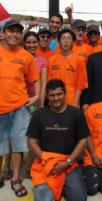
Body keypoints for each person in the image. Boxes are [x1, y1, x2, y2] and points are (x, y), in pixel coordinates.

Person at [27, 79, 89, 201]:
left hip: (68, 163)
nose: (55, 98)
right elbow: (31, 141)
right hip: (45, 163)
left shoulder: (76, 114)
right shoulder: (39, 114)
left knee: (79, 198)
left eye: (59, 94)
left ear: (65, 94)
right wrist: (46, 160)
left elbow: (83, 140)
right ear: (47, 96)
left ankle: (63, 186)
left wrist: (68, 162)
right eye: (52, 95)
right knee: (45, 199)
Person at [0, 20, 40, 196]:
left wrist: (37, 96)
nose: (14, 35)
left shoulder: (26, 56)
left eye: (17, 32)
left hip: (20, 107)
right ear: (4, 32)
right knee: (1, 143)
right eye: (11, 31)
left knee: (17, 145)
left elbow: (35, 79)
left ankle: (16, 179)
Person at [48, 29, 87, 108]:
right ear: (59, 42)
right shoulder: (51, 60)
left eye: (69, 38)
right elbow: (48, 84)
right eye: (63, 38)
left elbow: (80, 85)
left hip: (72, 101)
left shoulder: (79, 60)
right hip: (54, 101)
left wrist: (75, 103)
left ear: (73, 41)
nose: (66, 41)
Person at [24, 31, 47, 107]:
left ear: (38, 43)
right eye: (28, 42)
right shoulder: (20, 59)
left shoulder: (42, 60)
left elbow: (43, 84)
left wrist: (42, 103)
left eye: (34, 42)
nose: (31, 45)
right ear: (24, 43)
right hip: (21, 100)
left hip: (36, 101)